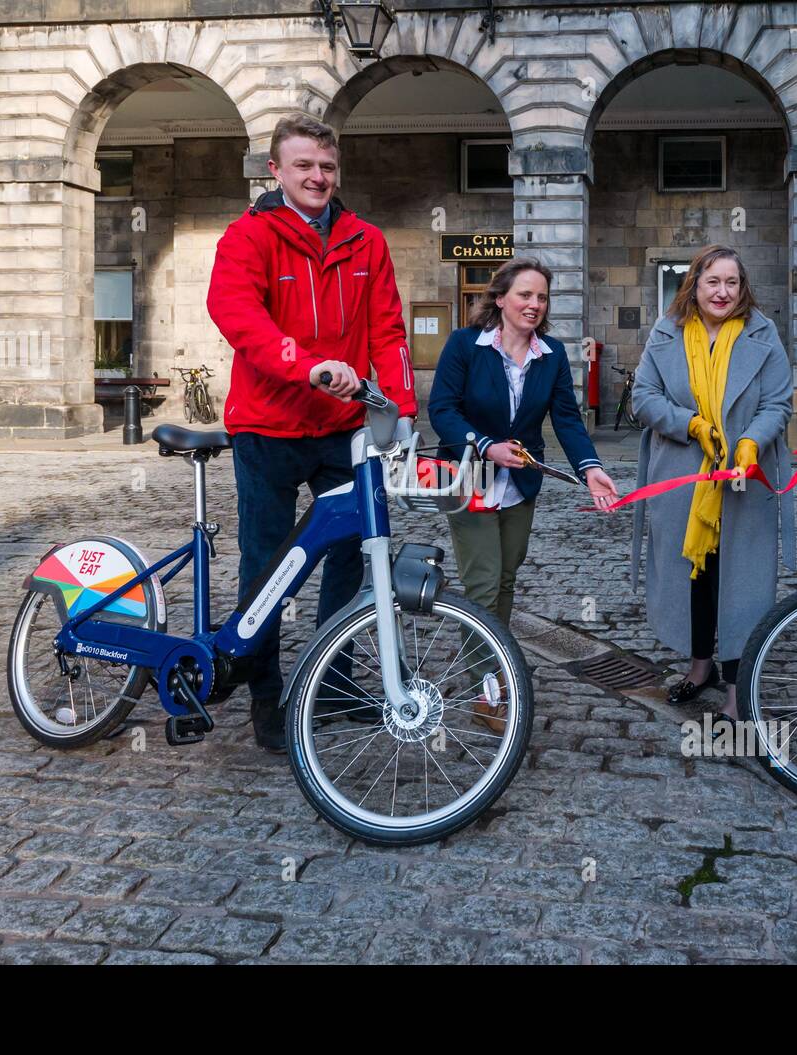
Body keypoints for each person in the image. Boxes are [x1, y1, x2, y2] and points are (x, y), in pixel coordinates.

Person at [206, 114, 417, 753]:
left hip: (344, 429)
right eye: (304, 166)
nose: (318, 177)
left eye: (327, 167)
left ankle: (335, 683)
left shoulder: (366, 241)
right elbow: (236, 313)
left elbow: (388, 329)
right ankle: (266, 696)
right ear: (276, 170)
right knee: (268, 565)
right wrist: (305, 364)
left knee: (353, 557)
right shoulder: (249, 236)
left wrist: (402, 410)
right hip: (268, 426)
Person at [428, 257, 619, 730]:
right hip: (469, 479)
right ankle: (486, 689)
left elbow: (568, 420)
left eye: (541, 298)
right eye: (525, 295)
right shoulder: (464, 346)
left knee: (507, 580)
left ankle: (496, 660)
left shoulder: (550, 354)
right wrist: (485, 445)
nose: (534, 305)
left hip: (521, 483)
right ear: (499, 298)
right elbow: (442, 410)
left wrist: (590, 468)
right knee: (483, 584)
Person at [630, 245, 794, 720]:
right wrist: (691, 424)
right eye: (713, 282)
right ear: (695, 285)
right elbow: (643, 397)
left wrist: (751, 442)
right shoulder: (667, 332)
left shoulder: (764, 334)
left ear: (743, 288)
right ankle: (698, 666)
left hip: (746, 482)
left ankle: (737, 690)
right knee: (695, 577)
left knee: (743, 584)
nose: (722, 292)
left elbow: (778, 404)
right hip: (683, 478)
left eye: (732, 283)